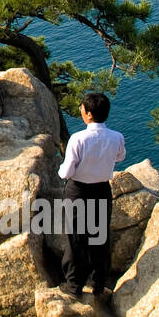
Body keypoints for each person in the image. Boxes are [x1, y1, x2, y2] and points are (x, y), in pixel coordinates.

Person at [57, 92, 125, 302]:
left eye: (82, 109)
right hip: (102, 190)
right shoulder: (117, 137)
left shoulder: (78, 139)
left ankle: (74, 285)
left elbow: (66, 172)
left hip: (78, 192)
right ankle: (98, 284)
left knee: (76, 238)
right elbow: (120, 156)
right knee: (99, 237)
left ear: (88, 114)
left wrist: (60, 171)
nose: (81, 111)